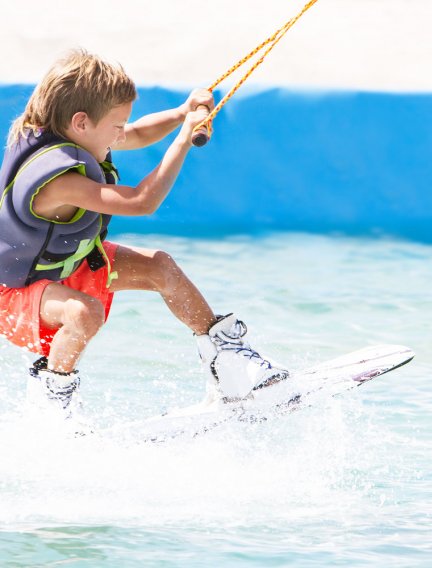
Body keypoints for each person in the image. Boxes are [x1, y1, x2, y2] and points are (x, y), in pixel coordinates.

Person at [0, 49, 288, 427]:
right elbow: (140, 201)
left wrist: (182, 112)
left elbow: (137, 134)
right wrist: (183, 139)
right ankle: (54, 398)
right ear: (81, 122)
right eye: (116, 125)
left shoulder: (73, 131)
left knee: (160, 267)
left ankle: (228, 360)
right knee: (84, 312)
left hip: (65, 268)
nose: (122, 133)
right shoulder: (60, 181)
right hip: (16, 295)